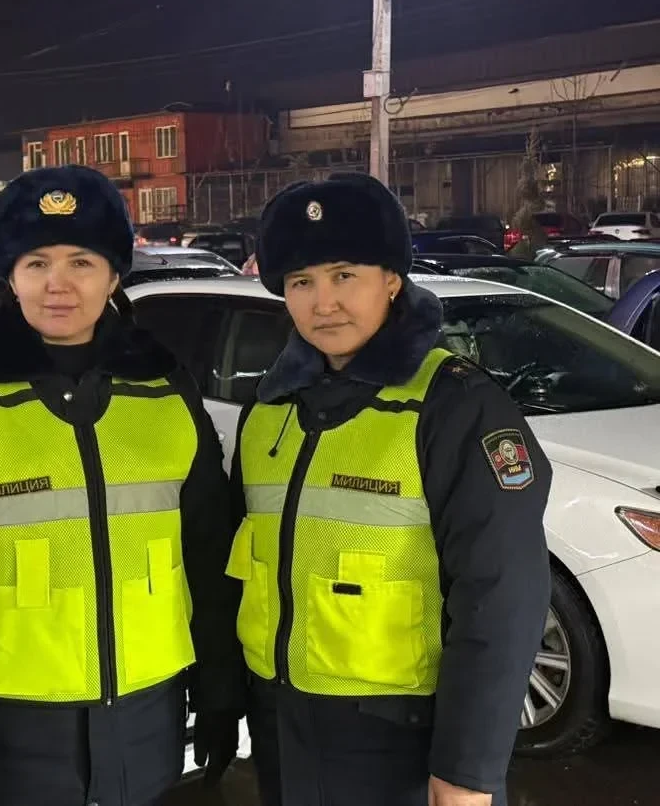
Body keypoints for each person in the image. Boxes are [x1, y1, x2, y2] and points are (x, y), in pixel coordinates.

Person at [0, 164, 245, 806]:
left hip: (147, 722)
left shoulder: (165, 393)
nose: (58, 284)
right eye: (37, 263)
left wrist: (218, 691)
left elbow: (210, 557)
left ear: (114, 276)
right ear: (11, 275)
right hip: (6, 731)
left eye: (82, 262)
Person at [228, 173, 552, 806]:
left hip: (402, 746)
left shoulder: (453, 406)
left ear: (392, 281)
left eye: (344, 275)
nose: (323, 303)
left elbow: (502, 600)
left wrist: (467, 771)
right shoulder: (268, 412)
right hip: (283, 733)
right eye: (301, 282)